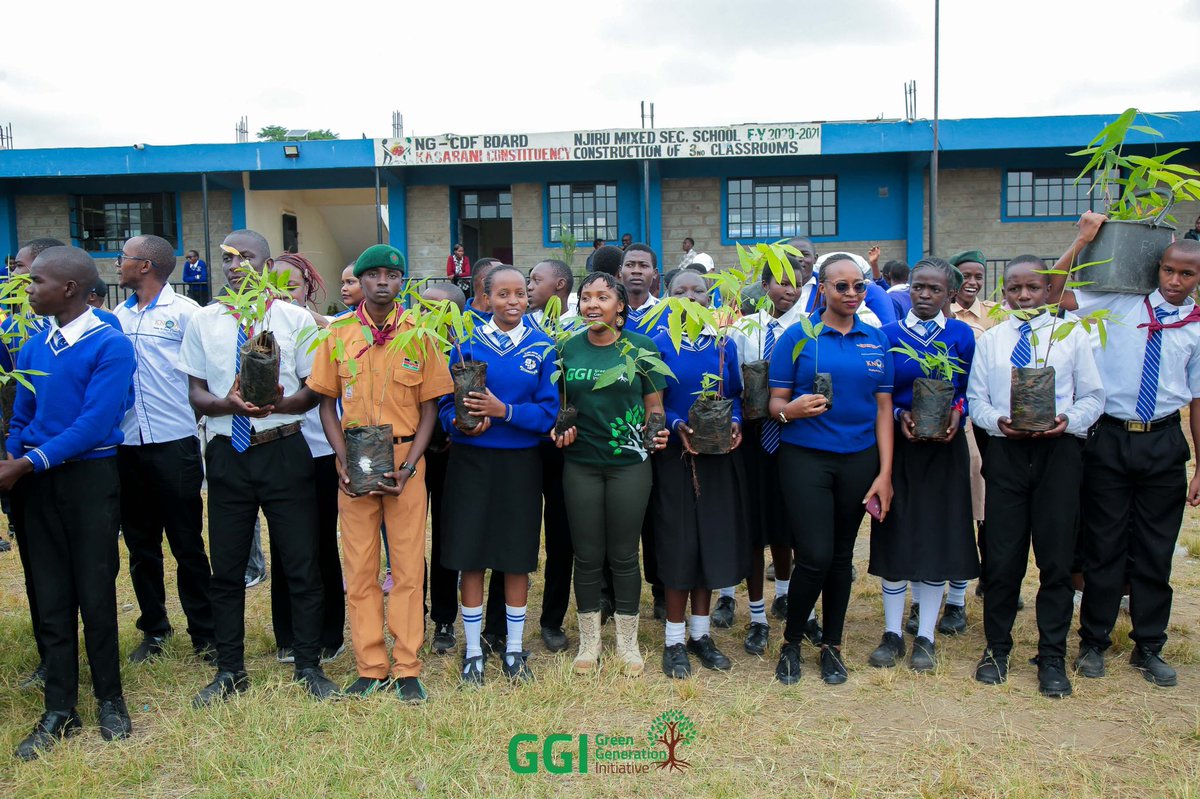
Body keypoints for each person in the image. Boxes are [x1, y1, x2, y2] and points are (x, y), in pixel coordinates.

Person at [179, 229, 339, 706]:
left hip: (284, 450)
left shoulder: (293, 319)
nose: (233, 265)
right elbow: (196, 395)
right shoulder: (204, 321)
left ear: (266, 265)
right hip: (228, 454)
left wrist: (280, 402)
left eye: (244, 256)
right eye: (226, 258)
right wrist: (227, 404)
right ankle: (230, 670)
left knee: (300, 562)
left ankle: (308, 664)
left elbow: (316, 390)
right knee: (226, 567)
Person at [1051, 215, 1200, 688]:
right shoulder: (1117, 303)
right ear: (1156, 269)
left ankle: (1149, 645)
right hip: (1110, 437)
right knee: (1104, 545)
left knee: (1156, 550)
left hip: (1163, 440)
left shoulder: (1197, 328)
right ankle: (1094, 641)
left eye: (1187, 274)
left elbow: (1197, 400)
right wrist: (1083, 240)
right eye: (1169, 271)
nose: (1175, 282)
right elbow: (1051, 291)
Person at [0, 245, 136, 759]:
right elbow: (23, 413)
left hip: (87, 480)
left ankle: (109, 698)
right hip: (36, 480)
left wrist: (27, 463)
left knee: (94, 589)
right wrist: (13, 455)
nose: (27, 289)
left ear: (70, 289)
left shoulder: (110, 345)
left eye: (36, 282)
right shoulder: (35, 345)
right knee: (48, 593)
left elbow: (96, 425)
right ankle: (59, 707)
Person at [308, 244, 453, 702]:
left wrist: (411, 466)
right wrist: (342, 458)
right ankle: (371, 664)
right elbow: (326, 403)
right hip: (355, 464)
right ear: (362, 281)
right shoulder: (338, 334)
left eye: (393, 275)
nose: (384, 282)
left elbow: (430, 407)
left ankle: (408, 665)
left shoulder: (420, 335)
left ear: (401, 282)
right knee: (361, 566)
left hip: (406, 461)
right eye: (374, 275)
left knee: (408, 567)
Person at [966, 254, 1104, 698]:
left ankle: (1051, 657)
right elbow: (976, 399)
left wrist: (1067, 419)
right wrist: (997, 421)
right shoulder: (992, 340)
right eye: (1013, 289)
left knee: (1057, 560)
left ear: (1048, 291)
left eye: (1032, 288)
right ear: (1003, 293)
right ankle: (997, 649)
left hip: (1058, 454)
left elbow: (1093, 396)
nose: (1023, 296)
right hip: (1007, 454)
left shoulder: (1071, 335)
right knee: (1003, 560)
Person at [768, 254, 895, 685]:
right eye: (842, 286)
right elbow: (774, 404)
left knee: (841, 558)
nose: (852, 294)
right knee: (816, 555)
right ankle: (790, 642)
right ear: (822, 288)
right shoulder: (799, 337)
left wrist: (885, 473)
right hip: (806, 456)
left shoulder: (875, 339)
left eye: (860, 286)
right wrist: (792, 411)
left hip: (860, 460)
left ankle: (833, 645)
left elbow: (883, 409)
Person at [438, 265, 557, 685]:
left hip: (520, 465)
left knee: (515, 556)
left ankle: (512, 649)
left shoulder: (543, 348)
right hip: (471, 463)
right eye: (502, 294)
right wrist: (462, 423)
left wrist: (503, 411)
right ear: (485, 299)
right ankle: (472, 651)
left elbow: (549, 414)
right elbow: (445, 409)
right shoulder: (465, 346)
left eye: (520, 294)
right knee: (470, 554)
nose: (512, 302)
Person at [555, 271, 668, 676]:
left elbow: (655, 406)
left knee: (623, 554)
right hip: (581, 464)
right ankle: (589, 642)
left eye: (602, 297)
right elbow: (561, 406)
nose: (592, 304)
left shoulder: (640, 348)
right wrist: (559, 428)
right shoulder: (567, 350)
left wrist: (657, 433)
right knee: (586, 555)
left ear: (620, 306)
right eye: (586, 297)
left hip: (629, 465)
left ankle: (627, 642)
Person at [868, 258, 978, 672]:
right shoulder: (888, 335)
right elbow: (882, 391)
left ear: (951, 294)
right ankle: (893, 632)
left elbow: (968, 386)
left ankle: (927, 636)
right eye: (919, 288)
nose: (925, 295)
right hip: (900, 449)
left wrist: (957, 412)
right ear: (908, 290)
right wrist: (900, 413)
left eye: (935, 289)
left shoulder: (961, 335)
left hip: (945, 449)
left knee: (938, 537)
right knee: (897, 533)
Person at [113, 234, 215, 666]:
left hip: (175, 444)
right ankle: (154, 629)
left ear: (145, 266)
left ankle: (205, 634)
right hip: (128, 446)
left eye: (123, 258)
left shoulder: (187, 314)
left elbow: (206, 374)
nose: (118, 264)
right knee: (140, 544)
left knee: (187, 543)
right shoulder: (116, 316)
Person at [651, 270, 748, 678]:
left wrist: (736, 422)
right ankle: (673, 640)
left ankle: (701, 634)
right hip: (675, 459)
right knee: (679, 545)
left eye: (699, 290)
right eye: (680, 291)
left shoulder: (724, 346)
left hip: (717, 457)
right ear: (667, 298)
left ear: (711, 298)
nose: (690, 296)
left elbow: (737, 396)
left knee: (709, 541)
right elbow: (653, 404)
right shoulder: (658, 345)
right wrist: (676, 425)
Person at [726, 255, 819, 654]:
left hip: (792, 437)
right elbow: (731, 381)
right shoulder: (746, 328)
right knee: (753, 528)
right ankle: (757, 615)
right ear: (763, 287)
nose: (790, 290)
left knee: (789, 526)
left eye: (797, 284)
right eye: (781, 282)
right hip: (751, 440)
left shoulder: (808, 331)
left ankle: (786, 594)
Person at [267, 253, 345, 665]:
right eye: (274, 287)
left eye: (291, 287)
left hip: (319, 450)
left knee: (319, 542)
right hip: (278, 448)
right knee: (284, 544)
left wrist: (310, 319)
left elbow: (345, 330)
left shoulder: (326, 328)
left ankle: (329, 631)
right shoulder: (257, 326)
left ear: (308, 288)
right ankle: (288, 633)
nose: (283, 296)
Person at [1, 237, 64, 690]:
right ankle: (49, 651)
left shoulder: (58, 330)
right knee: (35, 561)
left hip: (52, 460)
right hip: (15, 457)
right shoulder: (12, 326)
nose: (16, 279)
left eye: (25, 270)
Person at [948, 249, 999, 620]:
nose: (973, 282)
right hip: (957, 419)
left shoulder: (997, 314)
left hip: (989, 419)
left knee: (983, 504)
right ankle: (954, 593)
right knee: (959, 504)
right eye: (966, 275)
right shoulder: (941, 315)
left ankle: (989, 576)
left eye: (979, 276)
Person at [419, 283, 465, 654]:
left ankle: (444, 620)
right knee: (408, 540)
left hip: (452, 455)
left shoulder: (464, 352)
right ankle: (411, 611)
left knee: (447, 537)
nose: (430, 315)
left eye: (440, 309)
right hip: (410, 455)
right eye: (424, 307)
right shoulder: (407, 343)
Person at [527, 259, 577, 327]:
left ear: (560, 284)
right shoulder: (523, 325)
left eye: (537, 280)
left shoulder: (583, 326)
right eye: (529, 281)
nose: (529, 287)